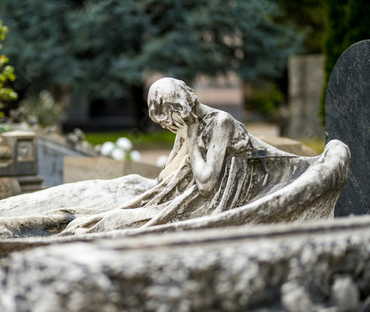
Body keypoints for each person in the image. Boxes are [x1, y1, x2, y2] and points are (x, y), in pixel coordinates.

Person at [60, 77, 289, 235]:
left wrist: (190, 137)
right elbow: (165, 179)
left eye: (168, 122)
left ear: (181, 109)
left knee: (118, 223)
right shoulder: (186, 124)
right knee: (107, 218)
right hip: (188, 196)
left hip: (213, 202)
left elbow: (207, 184)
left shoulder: (220, 123)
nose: (168, 128)